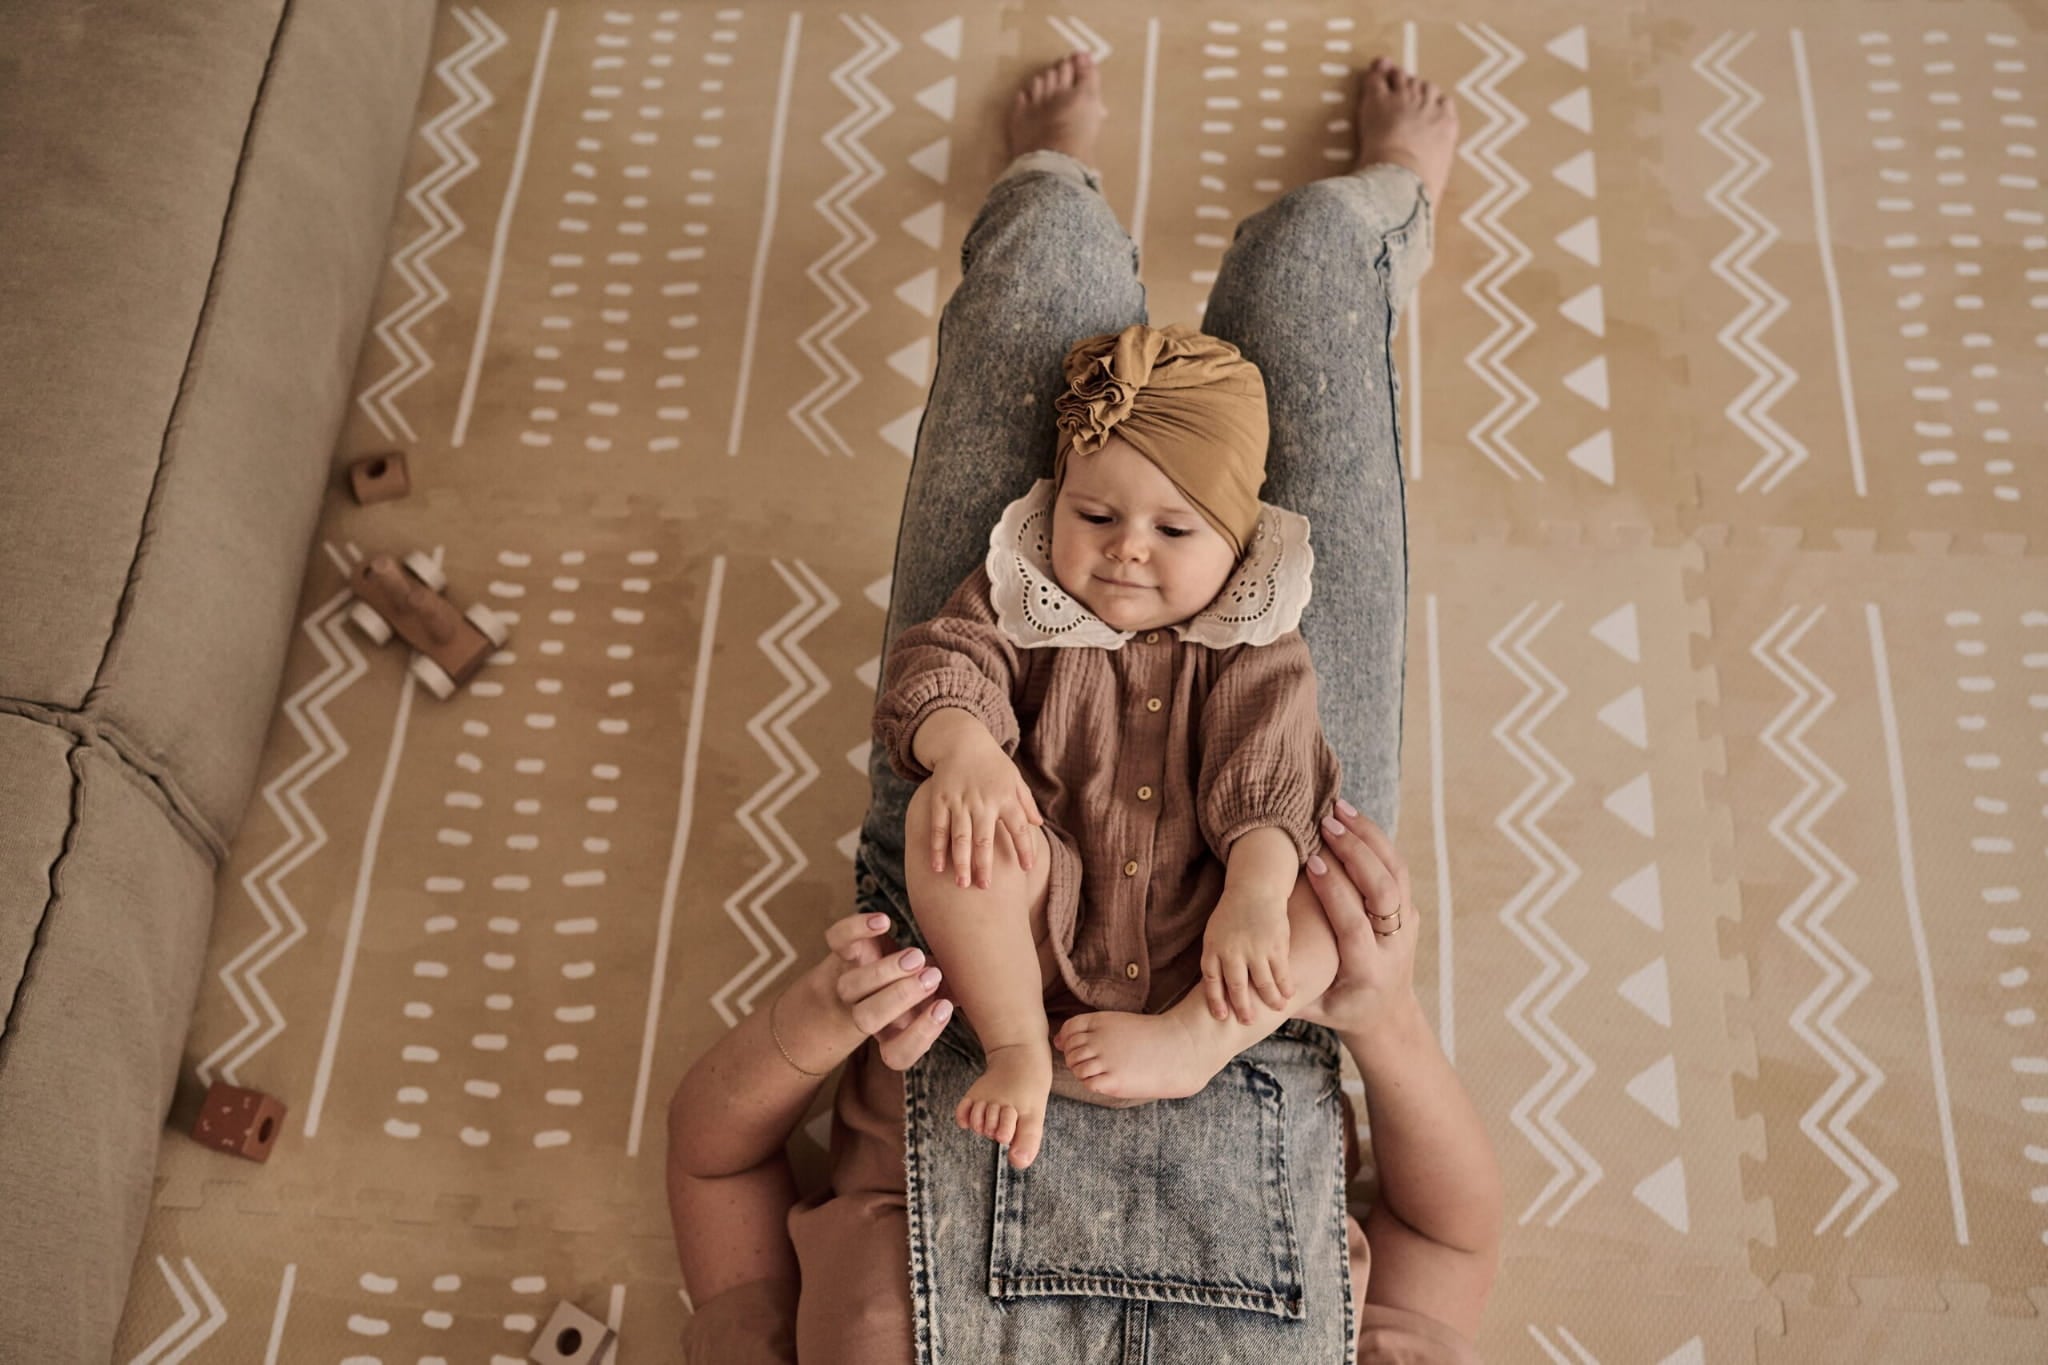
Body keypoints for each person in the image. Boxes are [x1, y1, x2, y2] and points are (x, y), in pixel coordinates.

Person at [668, 46, 1495, 1365]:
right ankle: (1389, 194)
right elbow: (1448, 1244)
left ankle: (1049, 167)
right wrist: (1380, 1015)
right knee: (1312, 267)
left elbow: (711, 1166)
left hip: (980, 849)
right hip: (1268, 932)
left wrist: (818, 1022)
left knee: (1045, 252)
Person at [872, 318, 1358, 1171]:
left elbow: (1271, 777)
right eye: (1094, 515)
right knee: (945, 822)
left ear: (1238, 541)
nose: (1127, 547)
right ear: (1056, 503)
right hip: (1041, 923)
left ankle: (1195, 1040)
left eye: (1175, 531)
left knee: (1330, 889)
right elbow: (945, 662)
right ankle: (1017, 1046)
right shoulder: (1023, 595)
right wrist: (965, 752)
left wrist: (1253, 895)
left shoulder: (1254, 638)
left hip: (1209, 941)